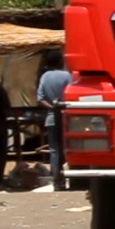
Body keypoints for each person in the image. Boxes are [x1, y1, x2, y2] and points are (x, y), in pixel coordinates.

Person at [37, 50, 73, 190]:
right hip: (66, 118)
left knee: (54, 150)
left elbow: (40, 98)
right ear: (60, 61)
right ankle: (68, 178)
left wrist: (53, 107)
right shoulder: (66, 76)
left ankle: (57, 180)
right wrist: (62, 107)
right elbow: (71, 93)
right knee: (66, 148)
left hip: (51, 117)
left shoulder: (45, 77)